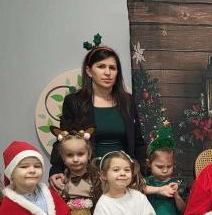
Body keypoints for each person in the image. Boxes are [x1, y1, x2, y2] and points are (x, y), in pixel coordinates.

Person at [49, 45, 146, 190]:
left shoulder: (127, 101)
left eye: (112, 68)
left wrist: (142, 173)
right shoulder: (74, 101)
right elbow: (64, 139)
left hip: (123, 177)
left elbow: (138, 142)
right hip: (88, 178)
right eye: (101, 66)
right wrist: (56, 169)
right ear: (89, 71)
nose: (107, 73)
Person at [143, 124, 196, 215]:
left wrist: (177, 195)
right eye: (160, 166)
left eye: (169, 166)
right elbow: (138, 189)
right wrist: (159, 190)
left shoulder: (178, 183)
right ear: (149, 164)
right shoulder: (147, 182)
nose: (165, 170)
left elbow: (184, 210)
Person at [49, 126, 99, 215]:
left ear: (89, 154)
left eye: (80, 154)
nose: (75, 159)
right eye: (70, 155)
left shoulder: (98, 179)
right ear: (63, 157)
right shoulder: (60, 181)